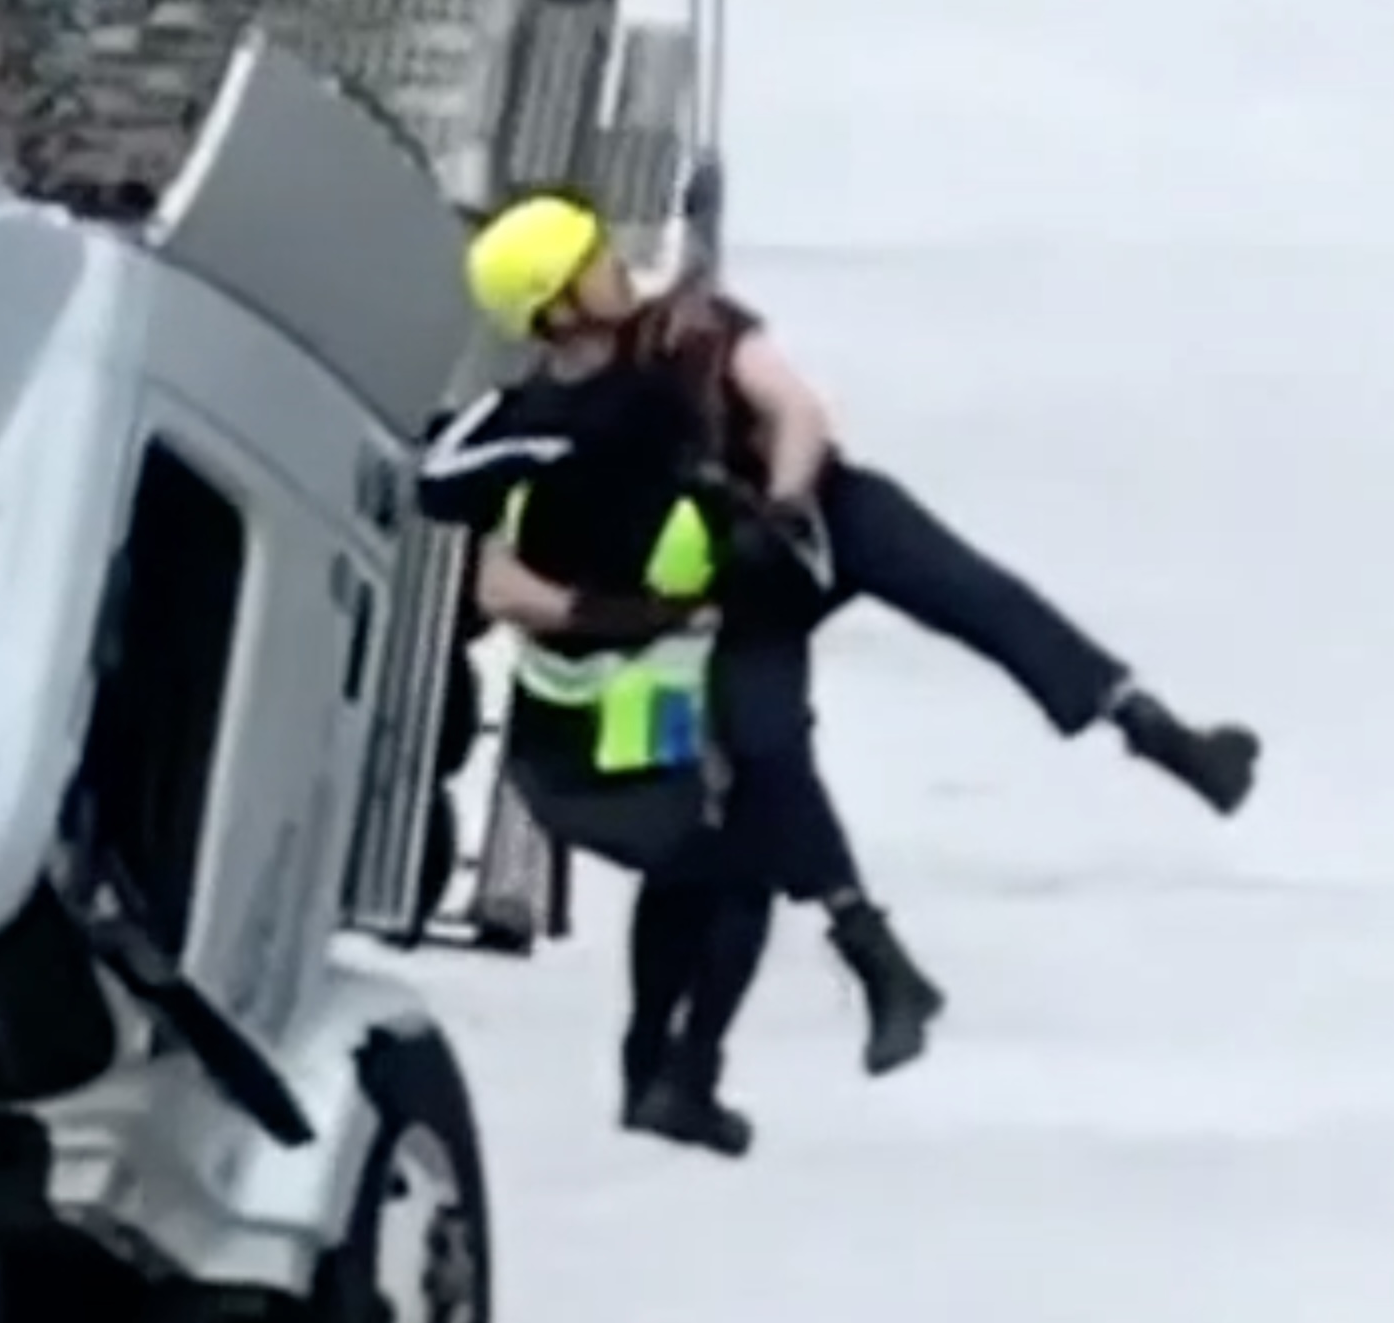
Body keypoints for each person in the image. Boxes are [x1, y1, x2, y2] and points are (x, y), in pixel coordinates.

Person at [418, 191, 1258, 1143]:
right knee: (770, 751)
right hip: (733, 595)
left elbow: (795, 409)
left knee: (972, 592)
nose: (618, 264)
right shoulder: (553, 423)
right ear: (556, 308)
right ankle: (874, 958)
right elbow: (477, 533)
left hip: (810, 518)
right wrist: (635, 597)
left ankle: (1152, 728)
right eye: (591, 262)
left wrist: (784, 505)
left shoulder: (689, 331)